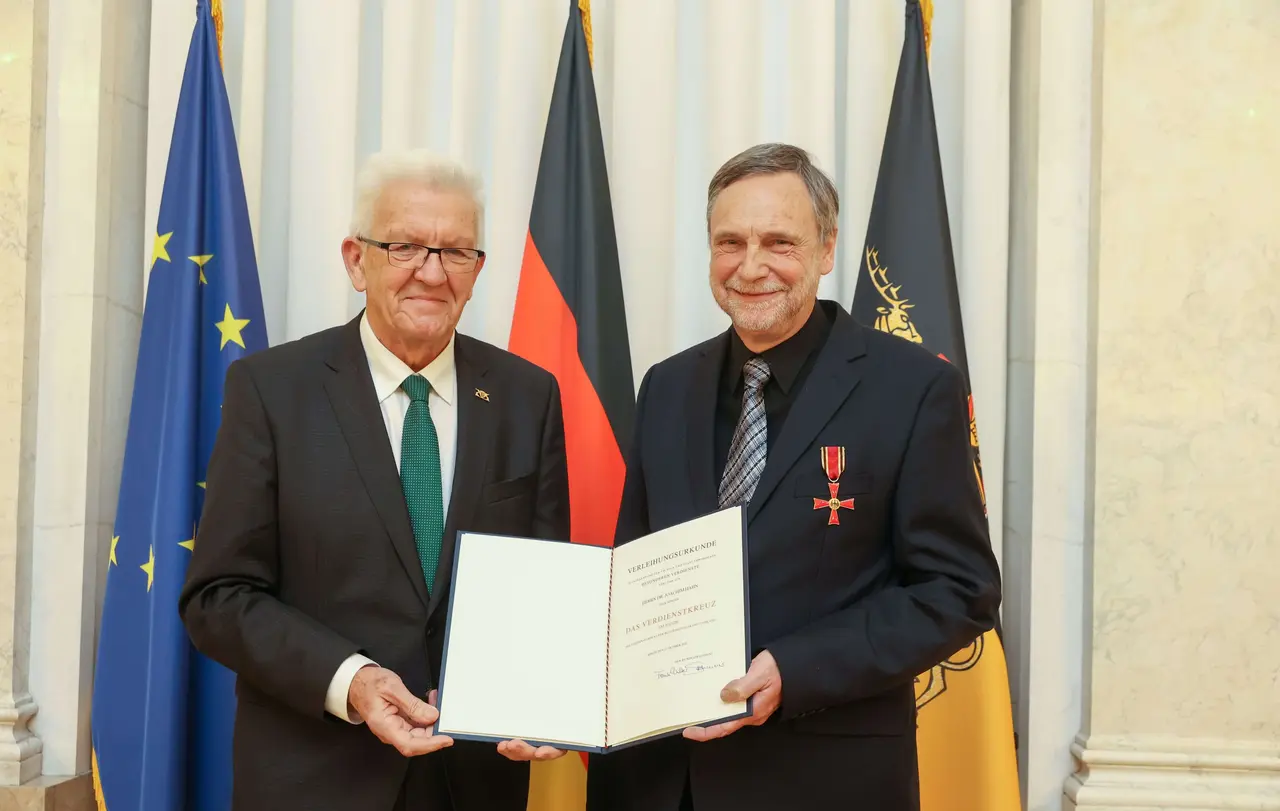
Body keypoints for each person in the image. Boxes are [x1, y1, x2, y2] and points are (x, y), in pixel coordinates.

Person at [585, 143, 1003, 811]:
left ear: (827, 248)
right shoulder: (666, 387)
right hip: (660, 781)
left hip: (824, 780)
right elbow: (633, 575)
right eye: (730, 242)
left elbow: (959, 589)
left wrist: (797, 669)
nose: (751, 267)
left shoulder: (914, 388)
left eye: (778, 241)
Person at [180, 149, 569, 811]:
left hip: (474, 783)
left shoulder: (527, 397)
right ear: (357, 259)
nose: (431, 272)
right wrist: (353, 680)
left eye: (454, 252)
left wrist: (539, 693)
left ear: (477, 271)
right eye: (405, 246)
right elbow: (218, 595)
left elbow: (544, 588)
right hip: (316, 780)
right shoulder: (272, 391)